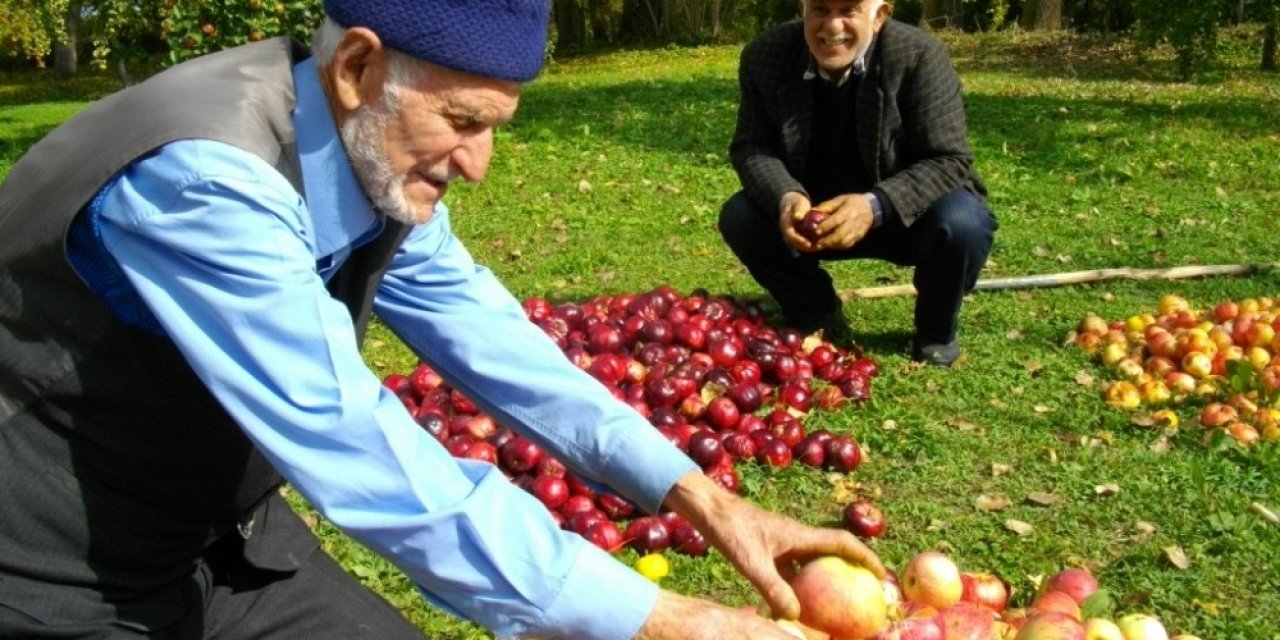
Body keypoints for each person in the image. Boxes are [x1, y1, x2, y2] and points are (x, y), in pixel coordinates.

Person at [0, 1, 886, 639]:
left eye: (496, 126)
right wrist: (657, 619)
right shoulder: (204, 180)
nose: (481, 164)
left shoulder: (368, 149)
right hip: (56, 578)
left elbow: (492, 339)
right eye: (463, 121)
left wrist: (702, 497)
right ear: (356, 67)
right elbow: (349, 438)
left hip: (226, 544)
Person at [718, 0, 997, 366]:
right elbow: (752, 146)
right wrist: (785, 197)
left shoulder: (918, 56)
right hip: (814, 218)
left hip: (904, 216)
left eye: (848, 10)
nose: (832, 27)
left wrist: (874, 206)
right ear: (803, 10)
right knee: (741, 217)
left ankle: (935, 332)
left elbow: (949, 159)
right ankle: (815, 311)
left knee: (964, 223)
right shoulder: (766, 56)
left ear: (879, 16)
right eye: (820, 9)